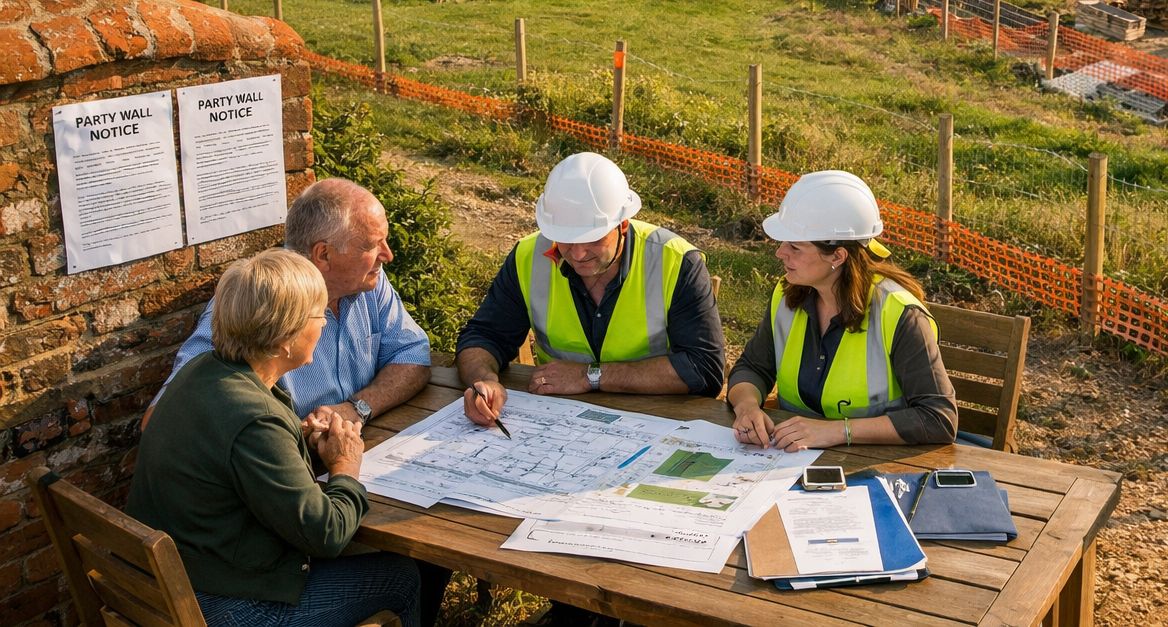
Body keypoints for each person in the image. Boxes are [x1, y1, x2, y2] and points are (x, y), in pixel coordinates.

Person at [144, 178, 449, 625]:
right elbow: (325, 534)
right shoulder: (256, 416)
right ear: (285, 336)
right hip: (231, 597)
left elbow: (413, 356)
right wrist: (343, 465)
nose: (323, 324)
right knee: (403, 576)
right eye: (315, 317)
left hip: (213, 561)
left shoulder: (223, 371)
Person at [458, 152, 726, 422]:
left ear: (622, 225)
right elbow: (484, 336)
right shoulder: (528, 257)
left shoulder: (675, 261)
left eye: (592, 238)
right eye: (565, 239)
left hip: (660, 419)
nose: (577, 254)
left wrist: (590, 375)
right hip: (558, 419)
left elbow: (703, 371)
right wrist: (483, 381)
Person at [728, 170, 958, 451]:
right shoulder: (786, 294)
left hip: (879, 467)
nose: (780, 253)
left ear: (838, 256)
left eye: (795, 247)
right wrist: (747, 406)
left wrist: (837, 431)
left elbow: (939, 418)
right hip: (791, 460)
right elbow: (752, 367)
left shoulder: (900, 315)